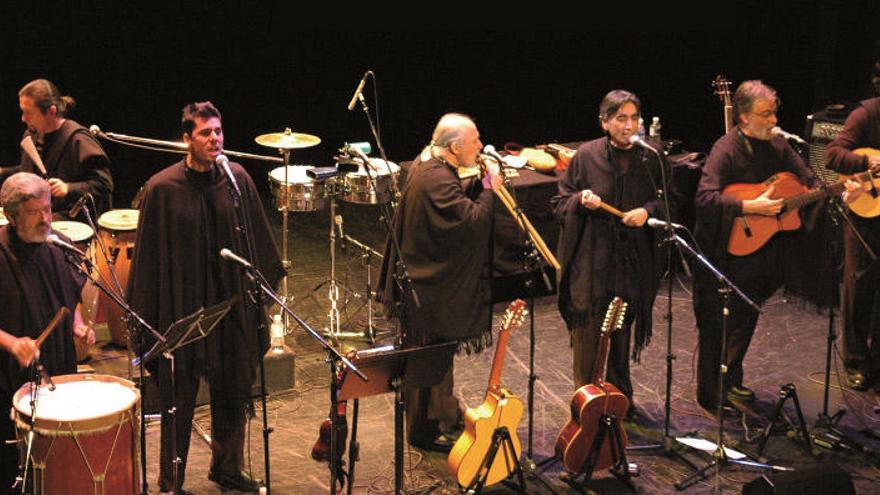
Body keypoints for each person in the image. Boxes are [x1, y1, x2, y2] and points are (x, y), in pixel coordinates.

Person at [127, 102, 283, 494]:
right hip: (182, 309)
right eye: (205, 133)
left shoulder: (237, 179)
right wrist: (147, 319)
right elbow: (148, 260)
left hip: (228, 305)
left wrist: (258, 298)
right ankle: (170, 482)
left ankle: (227, 467)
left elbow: (257, 242)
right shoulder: (162, 189)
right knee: (177, 402)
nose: (215, 139)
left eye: (218, 131)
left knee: (232, 390)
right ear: (186, 139)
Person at [692, 80, 861, 412]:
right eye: (765, 114)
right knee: (722, 323)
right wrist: (748, 207)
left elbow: (810, 184)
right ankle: (711, 392)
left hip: (765, 252)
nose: (773, 120)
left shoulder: (780, 146)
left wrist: (841, 191)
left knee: (748, 317)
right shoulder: (725, 149)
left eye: (773, 113)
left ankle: (731, 381)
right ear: (743, 117)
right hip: (728, 251)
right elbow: (704, 198)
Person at [378, 113, 501, 452]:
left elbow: (453, 204)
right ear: (456, 146)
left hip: (421, 281)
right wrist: (489, 190)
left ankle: (438, 418)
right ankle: (424, 430)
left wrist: (475, 183)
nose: (479, 145)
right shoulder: (436, 179)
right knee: (427, 362)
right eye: (475, 141)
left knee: (433, 361)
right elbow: (472, 222)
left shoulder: (427, 162)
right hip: (425, 289)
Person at [552, 90, 673, 411]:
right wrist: (580, 200)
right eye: (621, 118)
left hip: (630, 263)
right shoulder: (585, 157)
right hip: (592, 263)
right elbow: (560, 202)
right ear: (605, 122)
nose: (629, 125)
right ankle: (587, 406)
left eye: (634, 118)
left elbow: (668, 199)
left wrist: (647, 211)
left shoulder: (651, 156)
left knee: (621, 335)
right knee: (589, 337)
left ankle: (619, 400)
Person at [0, 172, 95, 493]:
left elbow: (70, 300)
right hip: (9, 379)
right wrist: (12, 343)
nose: (45, 219)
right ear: (12, 217)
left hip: (58, 371)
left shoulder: (58, 245)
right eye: (34, 212)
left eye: (48, 209)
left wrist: (79, 326)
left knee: (57, 464)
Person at [825, 67, 880, 392]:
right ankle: (856, 362)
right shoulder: (866, 114)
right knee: (859, 288)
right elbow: (833, 155)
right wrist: (867, 164)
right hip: (865, 212)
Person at [0, 79, 113, 219]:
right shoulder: (31, 135)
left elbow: (104, 184)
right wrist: (3, 172)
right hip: (41, 214)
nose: (23, 118)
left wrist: (68, 188)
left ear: (51, 111)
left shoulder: (78, 139)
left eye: (28, 112)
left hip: (71, 219)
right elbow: (31, 172)